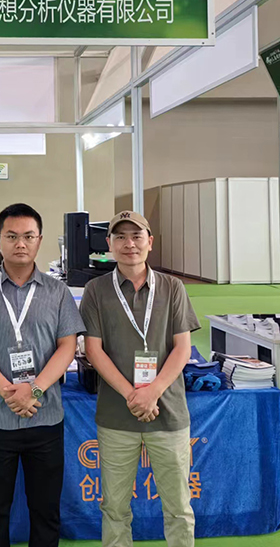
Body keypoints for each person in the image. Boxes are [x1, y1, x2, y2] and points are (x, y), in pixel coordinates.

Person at [0, 203, 86, 547]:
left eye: (28, 236)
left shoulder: (58, 293)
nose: (20, 244)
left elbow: (67, 347)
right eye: (12, 236)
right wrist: (9, 392)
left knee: (45, 512)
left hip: (45, 418)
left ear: (40, 240)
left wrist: (35, 390)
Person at [80, 211, 200, 547]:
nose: (129, 244)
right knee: (115, 508)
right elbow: (94, 351)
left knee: (178, 507)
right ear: (109, 244)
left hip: (168, 413)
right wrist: (134, 395)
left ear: (150, 241)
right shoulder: (96, 290)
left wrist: (153, 392)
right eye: (120, 237)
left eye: (136, 236)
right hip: (116, 417)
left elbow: (182, 348)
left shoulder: (172, 287)